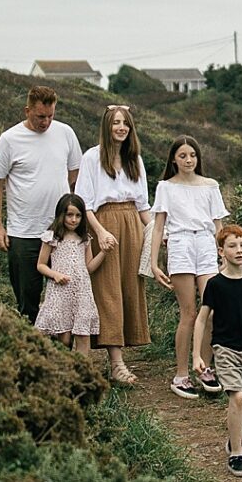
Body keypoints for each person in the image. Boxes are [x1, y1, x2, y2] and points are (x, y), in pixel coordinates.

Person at [0, 85, 83, 322]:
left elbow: (76, 177)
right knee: (27, 299)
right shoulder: (10, 139)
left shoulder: (66, 133)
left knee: (64, 294)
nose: (46, 122)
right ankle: (31, 351)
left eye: (51, 116)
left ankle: (62, 352)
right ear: (27, 110)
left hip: (61, 231)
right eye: (40, 116)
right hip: (23, 232)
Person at [76, 103, 151, 385]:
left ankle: (123, 352)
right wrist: (101, 232)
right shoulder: (92, 157)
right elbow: (84, 203)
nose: (121, 127)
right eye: (116, 122)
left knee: (129, 289)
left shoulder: (135, 159)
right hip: (104, 224)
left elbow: (143, 205)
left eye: (125, 123)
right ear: (107, 127)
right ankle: (116, 363)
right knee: (108, 292)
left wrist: (156, 232)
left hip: (132, 223)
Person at [192, 222, 242, 475]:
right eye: (232, 246)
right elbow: (202, 319)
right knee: (238, 398)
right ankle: (236, 453)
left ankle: (233, 431)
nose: (239, 250)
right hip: (225, 348)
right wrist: (197, 354)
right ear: (221, 251)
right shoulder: (215, 285)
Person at [152, 135, 229, 397]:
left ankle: (205, 368)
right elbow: (159, 226)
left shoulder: (210, 185)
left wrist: (225, 254)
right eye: (182, 155)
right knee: (189, 312)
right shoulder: (166, 187)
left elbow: (219, 225)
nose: (188, 160)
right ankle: (181, 375)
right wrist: (153, 262)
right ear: (174, 158)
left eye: (192, 155)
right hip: (181, 243)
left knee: (211, 310)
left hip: (206, 244)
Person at [34, 192, 111, 355]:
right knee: (64, 337)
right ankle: (63, 371)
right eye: (69, 215)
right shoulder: (52, 237)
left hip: (81, 292)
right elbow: (41, 265)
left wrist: (103, 253)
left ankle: (84, 373)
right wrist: (55, 274)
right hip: (60, 291)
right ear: (61, 214)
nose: (74, 220)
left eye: (78, 215)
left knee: (83, 335)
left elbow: (89, 267)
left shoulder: (84, 239)